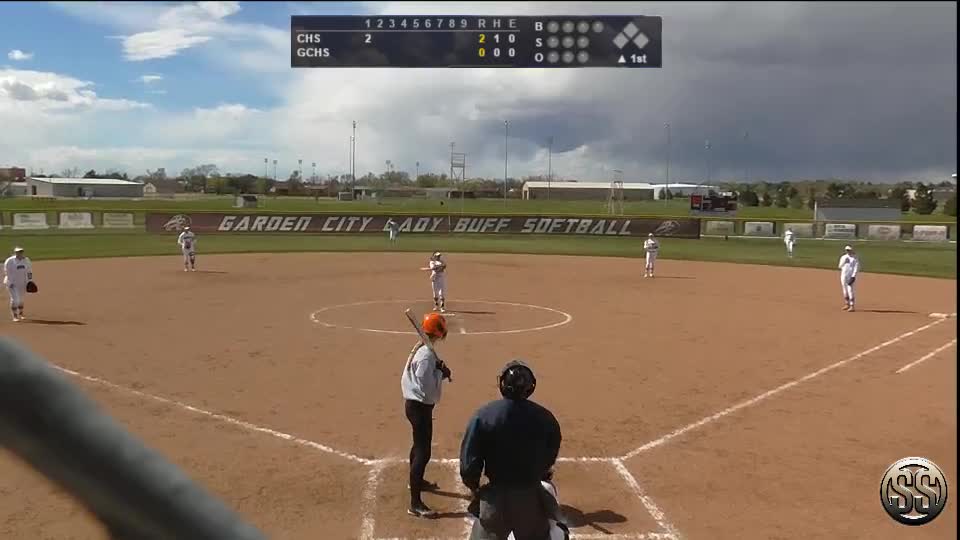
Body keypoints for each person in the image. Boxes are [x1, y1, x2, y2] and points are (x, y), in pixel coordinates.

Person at [460, 360, 563, 540]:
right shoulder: (546, 417)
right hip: (530, 496)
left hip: (495, 498)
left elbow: (469, 464)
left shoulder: (483, 415)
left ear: (502, 385)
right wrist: (538, 472)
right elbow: (551, 452)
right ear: (531, 387)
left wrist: (474, 487)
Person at [400, 312, 452, 518]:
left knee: (418, 446)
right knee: (423, 451)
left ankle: (415, 481)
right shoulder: (426, 355)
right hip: (419, 407)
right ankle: (415, 503)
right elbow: (426, 387)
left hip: (415, 405)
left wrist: (439, 369)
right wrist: (440, 373)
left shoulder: (421, 349)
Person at [3, 247, 33, 322]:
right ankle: (14, 316)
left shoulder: (26, 260)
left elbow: (29, 271)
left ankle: (21, 313)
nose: (20, 253)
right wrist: (10, 282)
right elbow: (7, 272)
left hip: (22, 282)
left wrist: (30, 281)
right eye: (18, 252)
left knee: (21, 299)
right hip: (12, 283)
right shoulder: (10, 261)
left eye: (21, 251)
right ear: (15, 252)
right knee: (15, 299)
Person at [838, 245, 860, 312]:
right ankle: (847, 304)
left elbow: (857, 268)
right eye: (847, 250)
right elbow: (839, 266)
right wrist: (844, 262)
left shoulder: (855, 258)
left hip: (850, 276)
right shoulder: (843, 257)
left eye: (849, 250)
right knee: (844, 289)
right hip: (843, 275)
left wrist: (853, 276)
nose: (848, 251)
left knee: (850, 289)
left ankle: (852, 305)